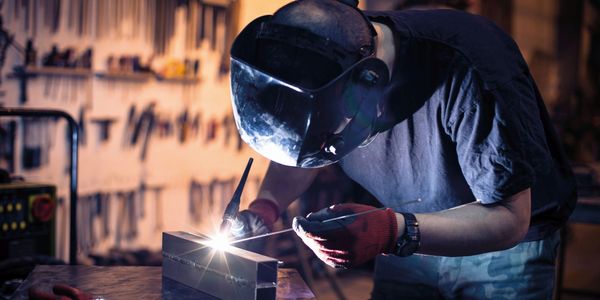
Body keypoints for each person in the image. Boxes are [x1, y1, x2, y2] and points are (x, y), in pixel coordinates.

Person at [229, 0, 577, 298]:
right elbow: (301, 151)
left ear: (368, 83)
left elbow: (510, 218)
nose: (326, 144)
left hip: (502, 246)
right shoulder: (322, 78)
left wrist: (391, 230)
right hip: (404, 236)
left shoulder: (470, 69)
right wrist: (265, 207)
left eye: (328, 135)